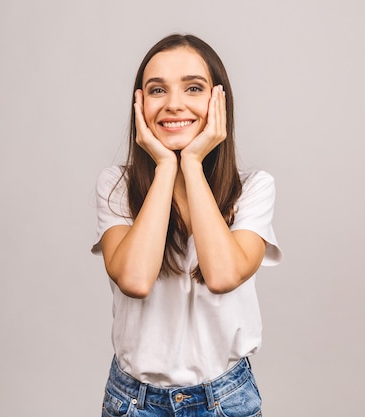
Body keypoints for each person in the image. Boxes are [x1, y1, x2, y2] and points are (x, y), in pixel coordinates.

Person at [91, 33, 282, 417]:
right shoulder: (114, 185)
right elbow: (134, 279)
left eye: (193, 88)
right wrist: (166, 166)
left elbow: (223, 274)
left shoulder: (254, 188)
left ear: (218, 101)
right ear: (139, 104)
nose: (173, 104)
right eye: (157, 90)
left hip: (225, 400)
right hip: (134, 402)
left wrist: (192, 164)